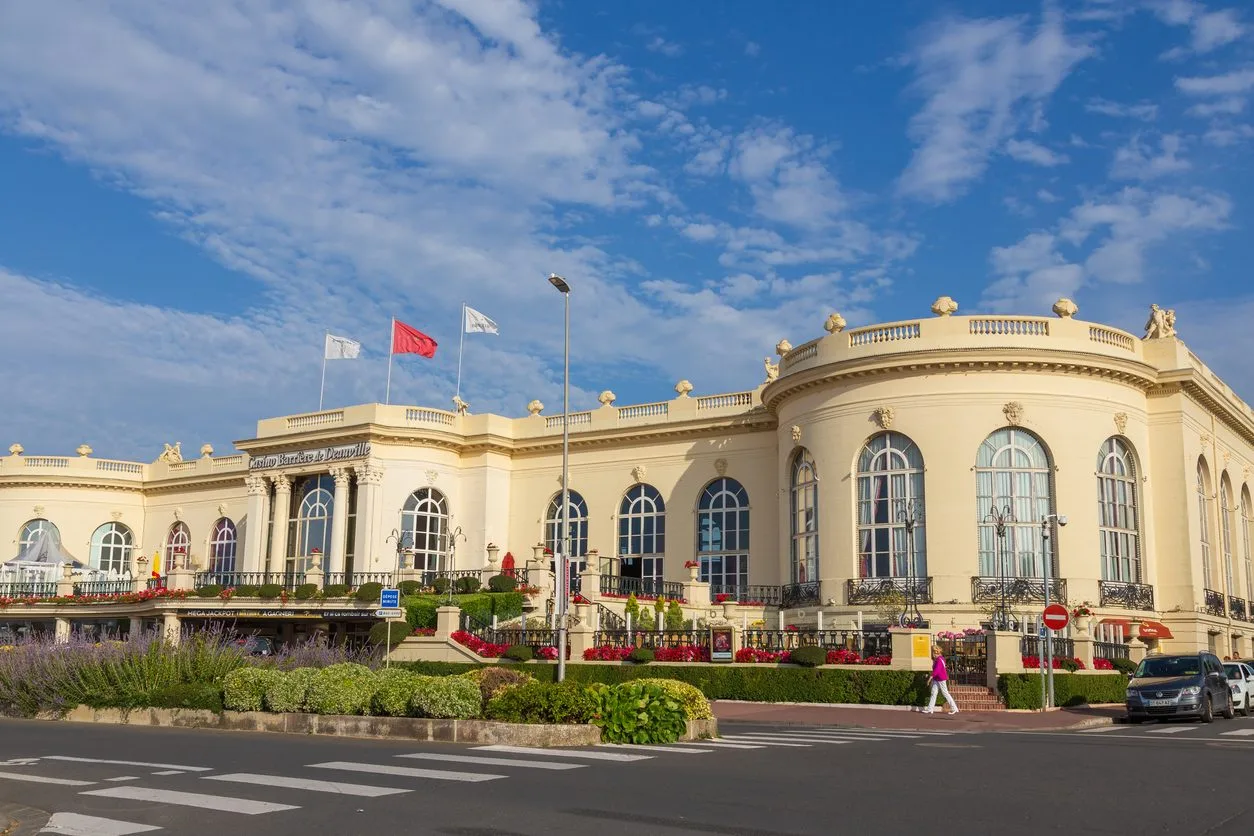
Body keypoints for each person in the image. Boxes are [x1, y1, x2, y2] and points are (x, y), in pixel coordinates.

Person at [923, 645, 959, 715]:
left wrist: (930, 678)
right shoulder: (939, 659)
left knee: (945, 693)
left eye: (933, 653)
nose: (932, 655)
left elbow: (936, 671)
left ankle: (954, 708)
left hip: (941, 679)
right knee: (934, 693)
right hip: (937, 679)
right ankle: (930, 709)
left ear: (935, 653)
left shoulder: (939, 660)